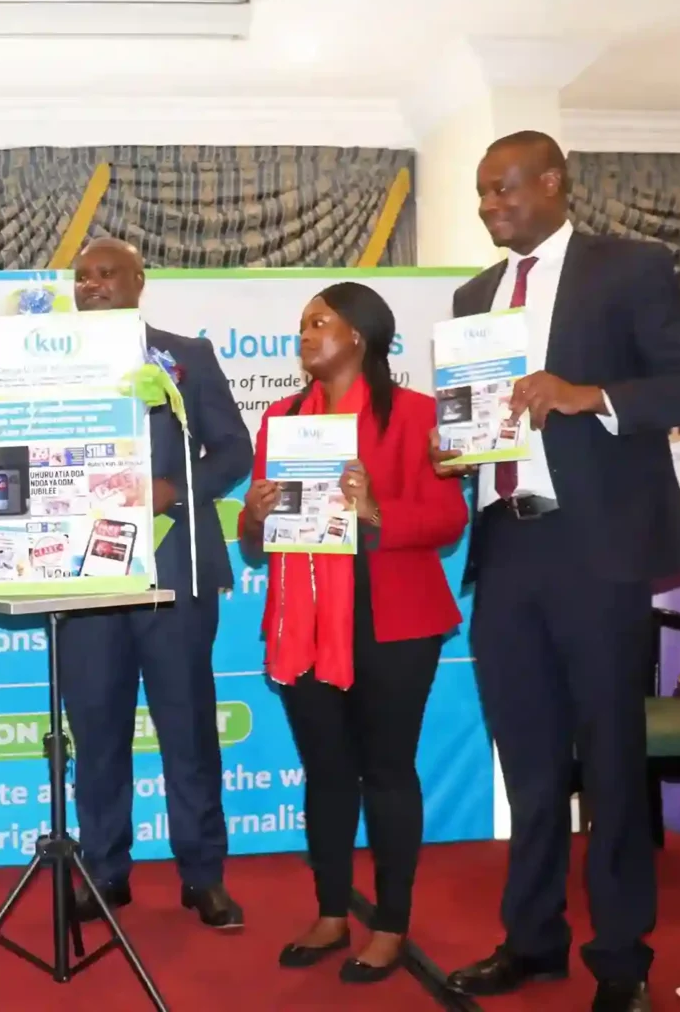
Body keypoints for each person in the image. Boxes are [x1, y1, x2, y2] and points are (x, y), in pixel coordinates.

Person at [434, 131, 680, 1012]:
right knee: (526, 762)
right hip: (507, 546)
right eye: (481, 196)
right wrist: (459, 448)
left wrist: (586, 394)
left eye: (501, 190)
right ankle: (532, 941)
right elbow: (481, 417)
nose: (488, 207)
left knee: (610, 759)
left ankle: (623, 958)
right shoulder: (473, 294)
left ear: (552, 182)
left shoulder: (630, 267)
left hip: (598, 553)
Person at [240, 283, 467, 983]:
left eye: (319, 323)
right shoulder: (281, 420)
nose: (304, 336)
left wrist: (375, 511)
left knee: (388, 773)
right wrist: (252, 514)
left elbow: (449, 523)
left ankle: (391, 923)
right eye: (302, 325)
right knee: (329, 773)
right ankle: (332, 911)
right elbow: (255, 546)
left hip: (395, 620)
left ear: (360, 336)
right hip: (304, 622)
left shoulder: (420, 416)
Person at [60, 237, 254, 928]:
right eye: (82, 277)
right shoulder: (50, 364)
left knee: (188, 729)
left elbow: (236, 448)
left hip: (175, 570)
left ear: (140, 282)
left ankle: (204, 876)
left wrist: (177, 487)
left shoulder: (186, 356)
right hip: (83, 575)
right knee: (97, 731)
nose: (93, 286)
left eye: (107, 274)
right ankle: (104, 873)